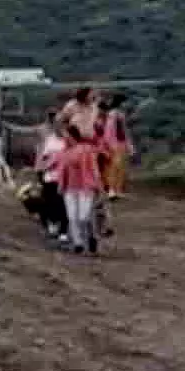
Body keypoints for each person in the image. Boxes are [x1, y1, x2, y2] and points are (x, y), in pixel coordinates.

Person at [54, 125, 105, 254]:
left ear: (72, 136)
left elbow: (94, 169)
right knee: (72, 217)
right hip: (70, 189)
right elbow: (62, 171)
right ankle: (78, 243)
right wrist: (61, 185)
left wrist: (99, 186)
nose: (64, 138)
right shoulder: (64, 152)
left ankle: (91, 236)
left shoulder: (86, 150)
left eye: (66, 135)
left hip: (85, 188)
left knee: (84, 217)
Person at [32, 109, 69, 240]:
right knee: (49, 202)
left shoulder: (69, 139)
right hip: (50, 176)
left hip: (64, 177)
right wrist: (44, 167)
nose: (60, 126)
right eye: (58, 124)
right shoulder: (50, 139)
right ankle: (52, 223)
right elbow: (44, 156)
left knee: (63, 203)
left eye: (62, 124)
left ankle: (64, 230)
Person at [102, 94, 135, 200]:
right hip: (114, 143)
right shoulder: (112, 114)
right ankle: (111, 190)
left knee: (121, 167)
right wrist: (110, 144)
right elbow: (109, 131)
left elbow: (124, 131)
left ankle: (118, 190)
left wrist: (129, 144)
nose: (127, 104)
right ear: (120, 102)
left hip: (122, 143)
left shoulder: (121, 114)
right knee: (114, 166)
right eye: (125, 102)